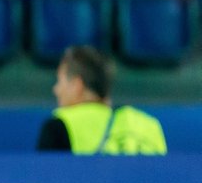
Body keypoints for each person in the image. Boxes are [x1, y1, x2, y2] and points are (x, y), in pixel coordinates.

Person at [37, 45, 166, 155]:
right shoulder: (151, 125)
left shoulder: (57, 126)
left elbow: (47, 180)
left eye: (60, 81)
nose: (56, 89)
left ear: (77, 86)